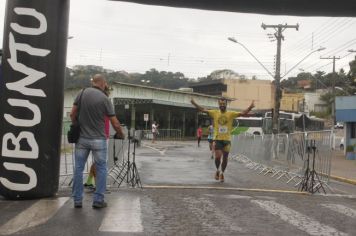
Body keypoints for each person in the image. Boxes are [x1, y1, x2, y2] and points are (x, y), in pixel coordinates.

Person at [70, 74, 124, 209]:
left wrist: (77, 125)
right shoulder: (105, 99)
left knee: (78, 168)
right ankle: (98, 200)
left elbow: (72, 114)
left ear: (93, 82)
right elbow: (115, 122)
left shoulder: (81, 93)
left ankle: (77, 200)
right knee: (101, 169)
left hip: (82, 139)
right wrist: (120, 133)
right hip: (99, 139)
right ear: (103, 83)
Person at [191, 97, 254, 182]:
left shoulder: (231, 114)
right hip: (218, 139)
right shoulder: (214, 113)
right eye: (220, 104)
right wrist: (194, 104)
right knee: (218, 157)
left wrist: (250, 107)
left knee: (225, 158)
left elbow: (242, 113)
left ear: (226, 105)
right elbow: (203, 110)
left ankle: (222, 173)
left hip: (227, 140)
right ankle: (217, 170)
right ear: (218, 105)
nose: (222, 105)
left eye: (224, 104)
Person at [84, 86, 111, 190]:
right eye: (107, 93)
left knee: (96, 161)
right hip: (101, 136)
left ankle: (89, 182)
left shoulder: (97, 102)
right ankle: (98, 185)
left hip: (99, 135)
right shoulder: (103, 102)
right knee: (100, 162)